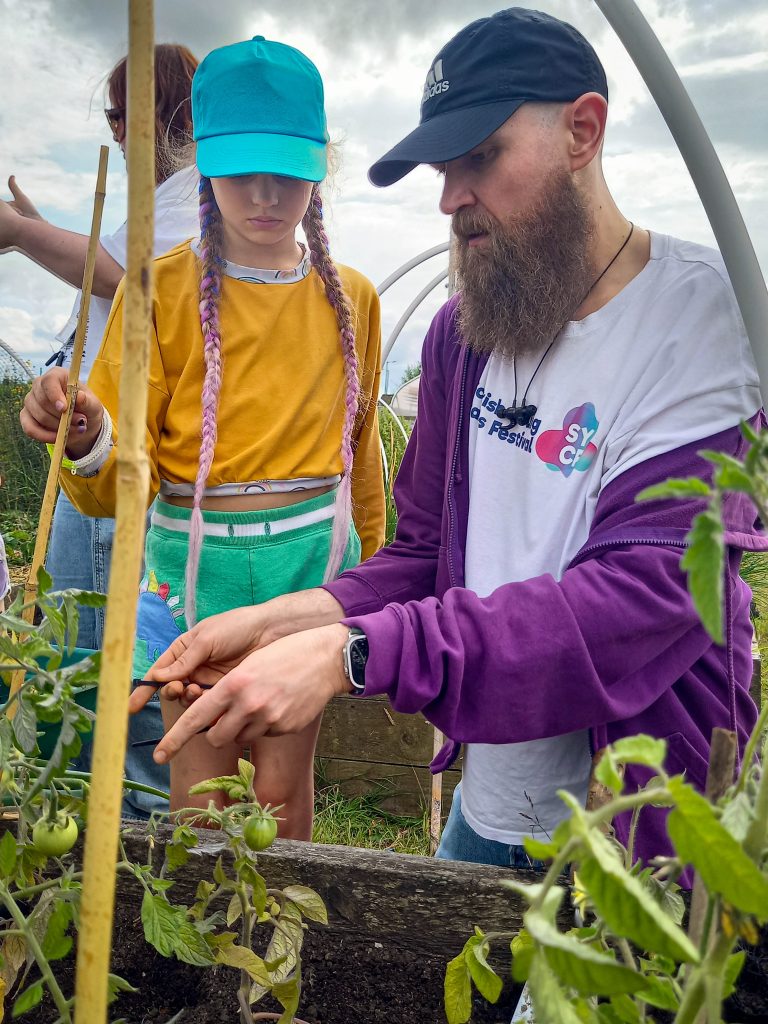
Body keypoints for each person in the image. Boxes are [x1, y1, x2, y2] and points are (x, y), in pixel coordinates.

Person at [130, 8, 762, 872]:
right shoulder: (466, 334)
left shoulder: (698, 322)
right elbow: (425, 550)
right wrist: (289, 618)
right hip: (493, 806)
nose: (450, 196)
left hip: (642, 831)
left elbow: (643, 596)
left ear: (583, 130)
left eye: (480, 158)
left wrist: (353, 653)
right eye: (442, 168)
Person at [21, 35, 385, 834]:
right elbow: (122, 471)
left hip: (306, 573)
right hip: (193, 575)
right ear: (200, 163)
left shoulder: (351, 297)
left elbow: (359, 458)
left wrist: (373, 584)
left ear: (320, 166)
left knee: (285, 794)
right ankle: (205, 954)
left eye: (287, 169)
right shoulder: (158, 290)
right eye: (239, 168)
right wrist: (85, 433)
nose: (263, 192)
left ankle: (275, 958)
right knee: (200, 797)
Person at [1, 44, 201, 651]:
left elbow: (127, 280)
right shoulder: (172, 197)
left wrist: (19, 231)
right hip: (99, 443)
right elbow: (107, 270)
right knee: (81, 633)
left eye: (121, 116)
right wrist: (31, 226)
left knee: (86, 652)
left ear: (163, 115)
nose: (115, 133)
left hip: (112, 449)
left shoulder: (196, 192)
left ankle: (102, 749)